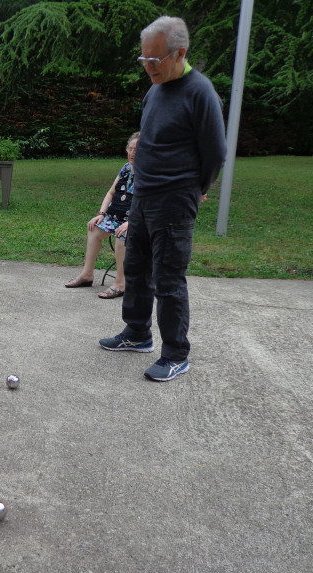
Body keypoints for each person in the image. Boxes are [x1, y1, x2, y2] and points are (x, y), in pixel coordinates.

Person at [99, 16, 227, 382]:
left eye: (154, 60)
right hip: (143, 198)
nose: (148, 68)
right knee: (136, 270)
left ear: (180, 53)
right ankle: (137, 334)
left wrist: (196, 188)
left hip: (174, 202)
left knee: (169, 281)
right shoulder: (155, 90)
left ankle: (175, 354)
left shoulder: (200, 92)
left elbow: (215, 153)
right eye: (144, 60)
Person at [65, 132, 140, 298]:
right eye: (130, 148)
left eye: (137, 149)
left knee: (123, 235)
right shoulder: (126, 168)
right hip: (115, 218)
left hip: (138, 222)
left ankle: (121, 283)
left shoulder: (150, 173)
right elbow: (111, 192)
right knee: (94, 228)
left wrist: (132, 222)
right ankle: (87, 275)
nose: (132, 153)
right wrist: (101, 213)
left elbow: (150, 203)